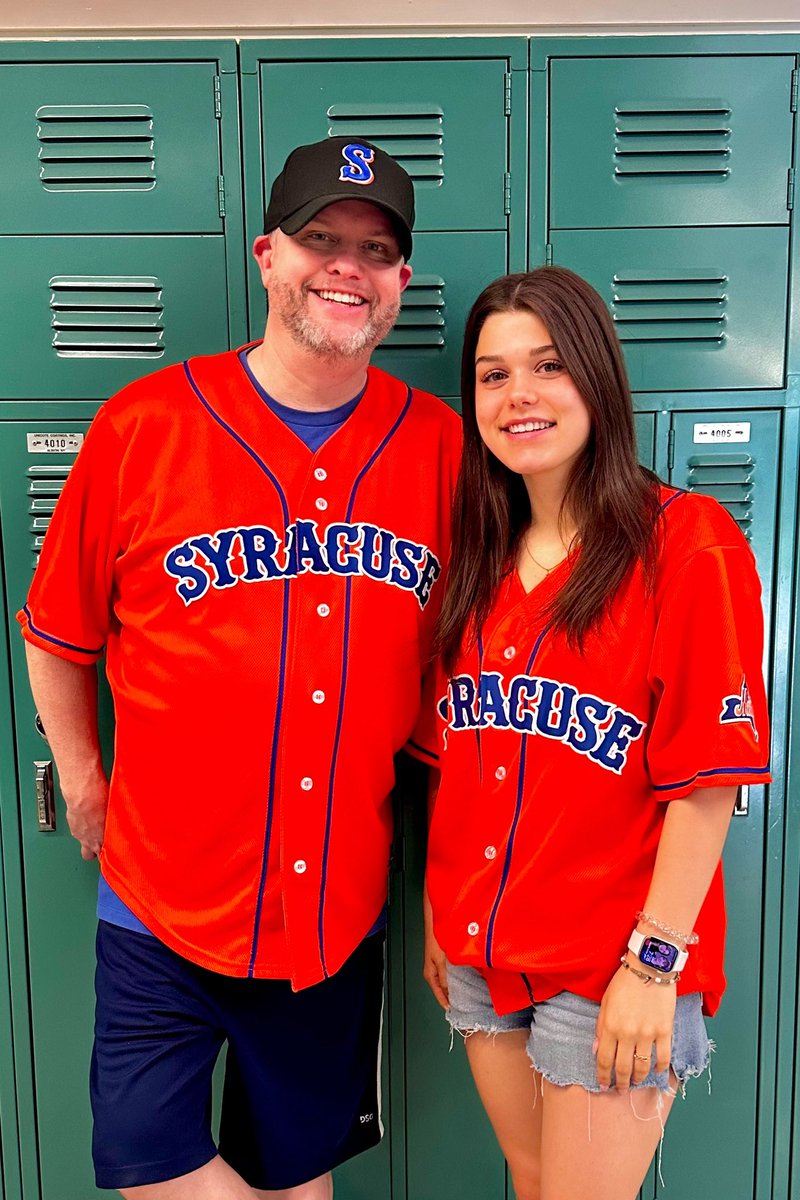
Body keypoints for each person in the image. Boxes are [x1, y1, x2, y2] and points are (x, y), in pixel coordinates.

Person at [19, 137, 461, 1200]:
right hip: (157, 900)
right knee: (144, 1160)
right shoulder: (142, 427)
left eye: (374, 249)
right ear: (268, 256)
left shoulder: (442, 447)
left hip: (332, 909)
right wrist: (83, 777)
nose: (345, 266)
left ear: (400, 281)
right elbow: (57, 632)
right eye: (320, 240)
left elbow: (472, 680)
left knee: (291, 1171)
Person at [422, 267, 770, 1200]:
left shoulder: (685, 542)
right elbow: (455, 756)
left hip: (614, 955)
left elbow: (707, 783)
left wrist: (655, 965)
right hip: (480, 946)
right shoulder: (477, 557)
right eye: (492, 376)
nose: (518, 395)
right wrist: (438, 909)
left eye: (547, 365)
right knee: (533, 1180)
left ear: (598, 379)